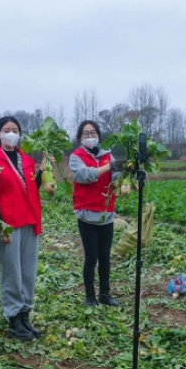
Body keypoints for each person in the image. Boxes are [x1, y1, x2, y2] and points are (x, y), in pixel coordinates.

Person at [0, 116, 48, 340]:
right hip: (8, 224)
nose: (11, 133)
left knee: (28, 272)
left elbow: (31, 186)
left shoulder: (26, 160)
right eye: (6, 130)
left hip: (29, 220)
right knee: (11, 272)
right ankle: (13, 321)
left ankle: (25, 316)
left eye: (15, 130)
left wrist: (44, 171)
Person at [69, 120, 123, 306]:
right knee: (91, 257)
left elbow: (116, 177)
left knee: (105, 256)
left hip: (106, 213)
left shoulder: (109, 156)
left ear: (99, 135)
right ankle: (90, 296)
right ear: (80, 137)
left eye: (93, 133)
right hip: (86, 213)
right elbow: (84, 175)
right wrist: (109, 167)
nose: (90, 136)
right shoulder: (76, 157)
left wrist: (126, 176)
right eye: (85, 133)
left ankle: (105, 294)